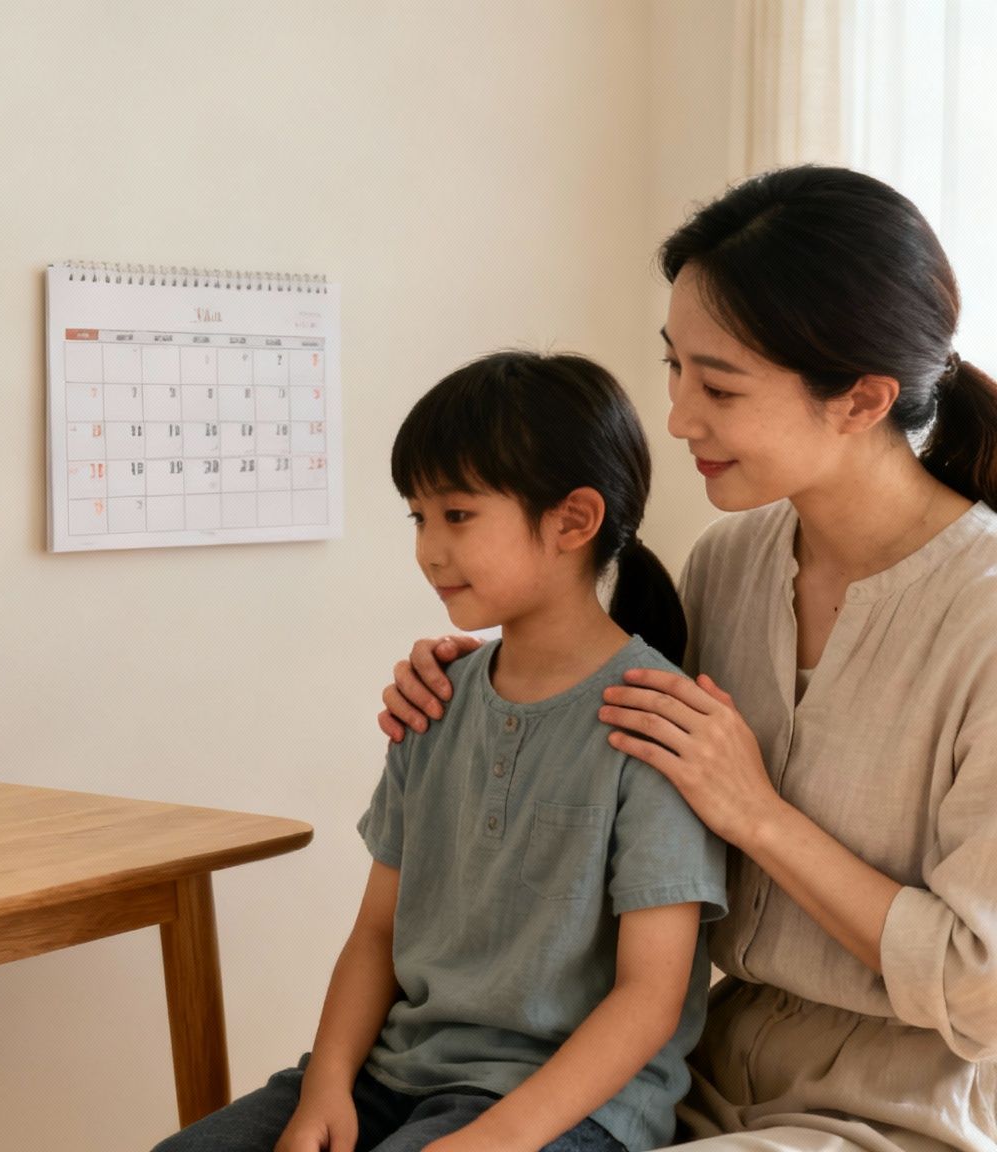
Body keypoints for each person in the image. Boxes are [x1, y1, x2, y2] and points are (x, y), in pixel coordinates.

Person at [379, 167, 997, 1150]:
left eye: (716, 385)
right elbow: (602, 756)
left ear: (859, 400)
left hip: (898, 1109)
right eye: (673, 368)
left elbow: (978, 987)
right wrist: (474, 680)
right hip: (695, 1070)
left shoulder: (980, 616)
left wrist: (757, 815)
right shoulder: (730, 563)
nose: (674, 417)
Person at [155, 352, 725, 1152]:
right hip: (398, 1074)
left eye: (457, 515)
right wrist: (324, 1087)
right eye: (417, 517)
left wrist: (496, 1139)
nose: (428, 548)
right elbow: (376, 935)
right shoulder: (438, 698)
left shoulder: (652, 720)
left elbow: (649, 998)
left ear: (572, 521)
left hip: (566, 1104)